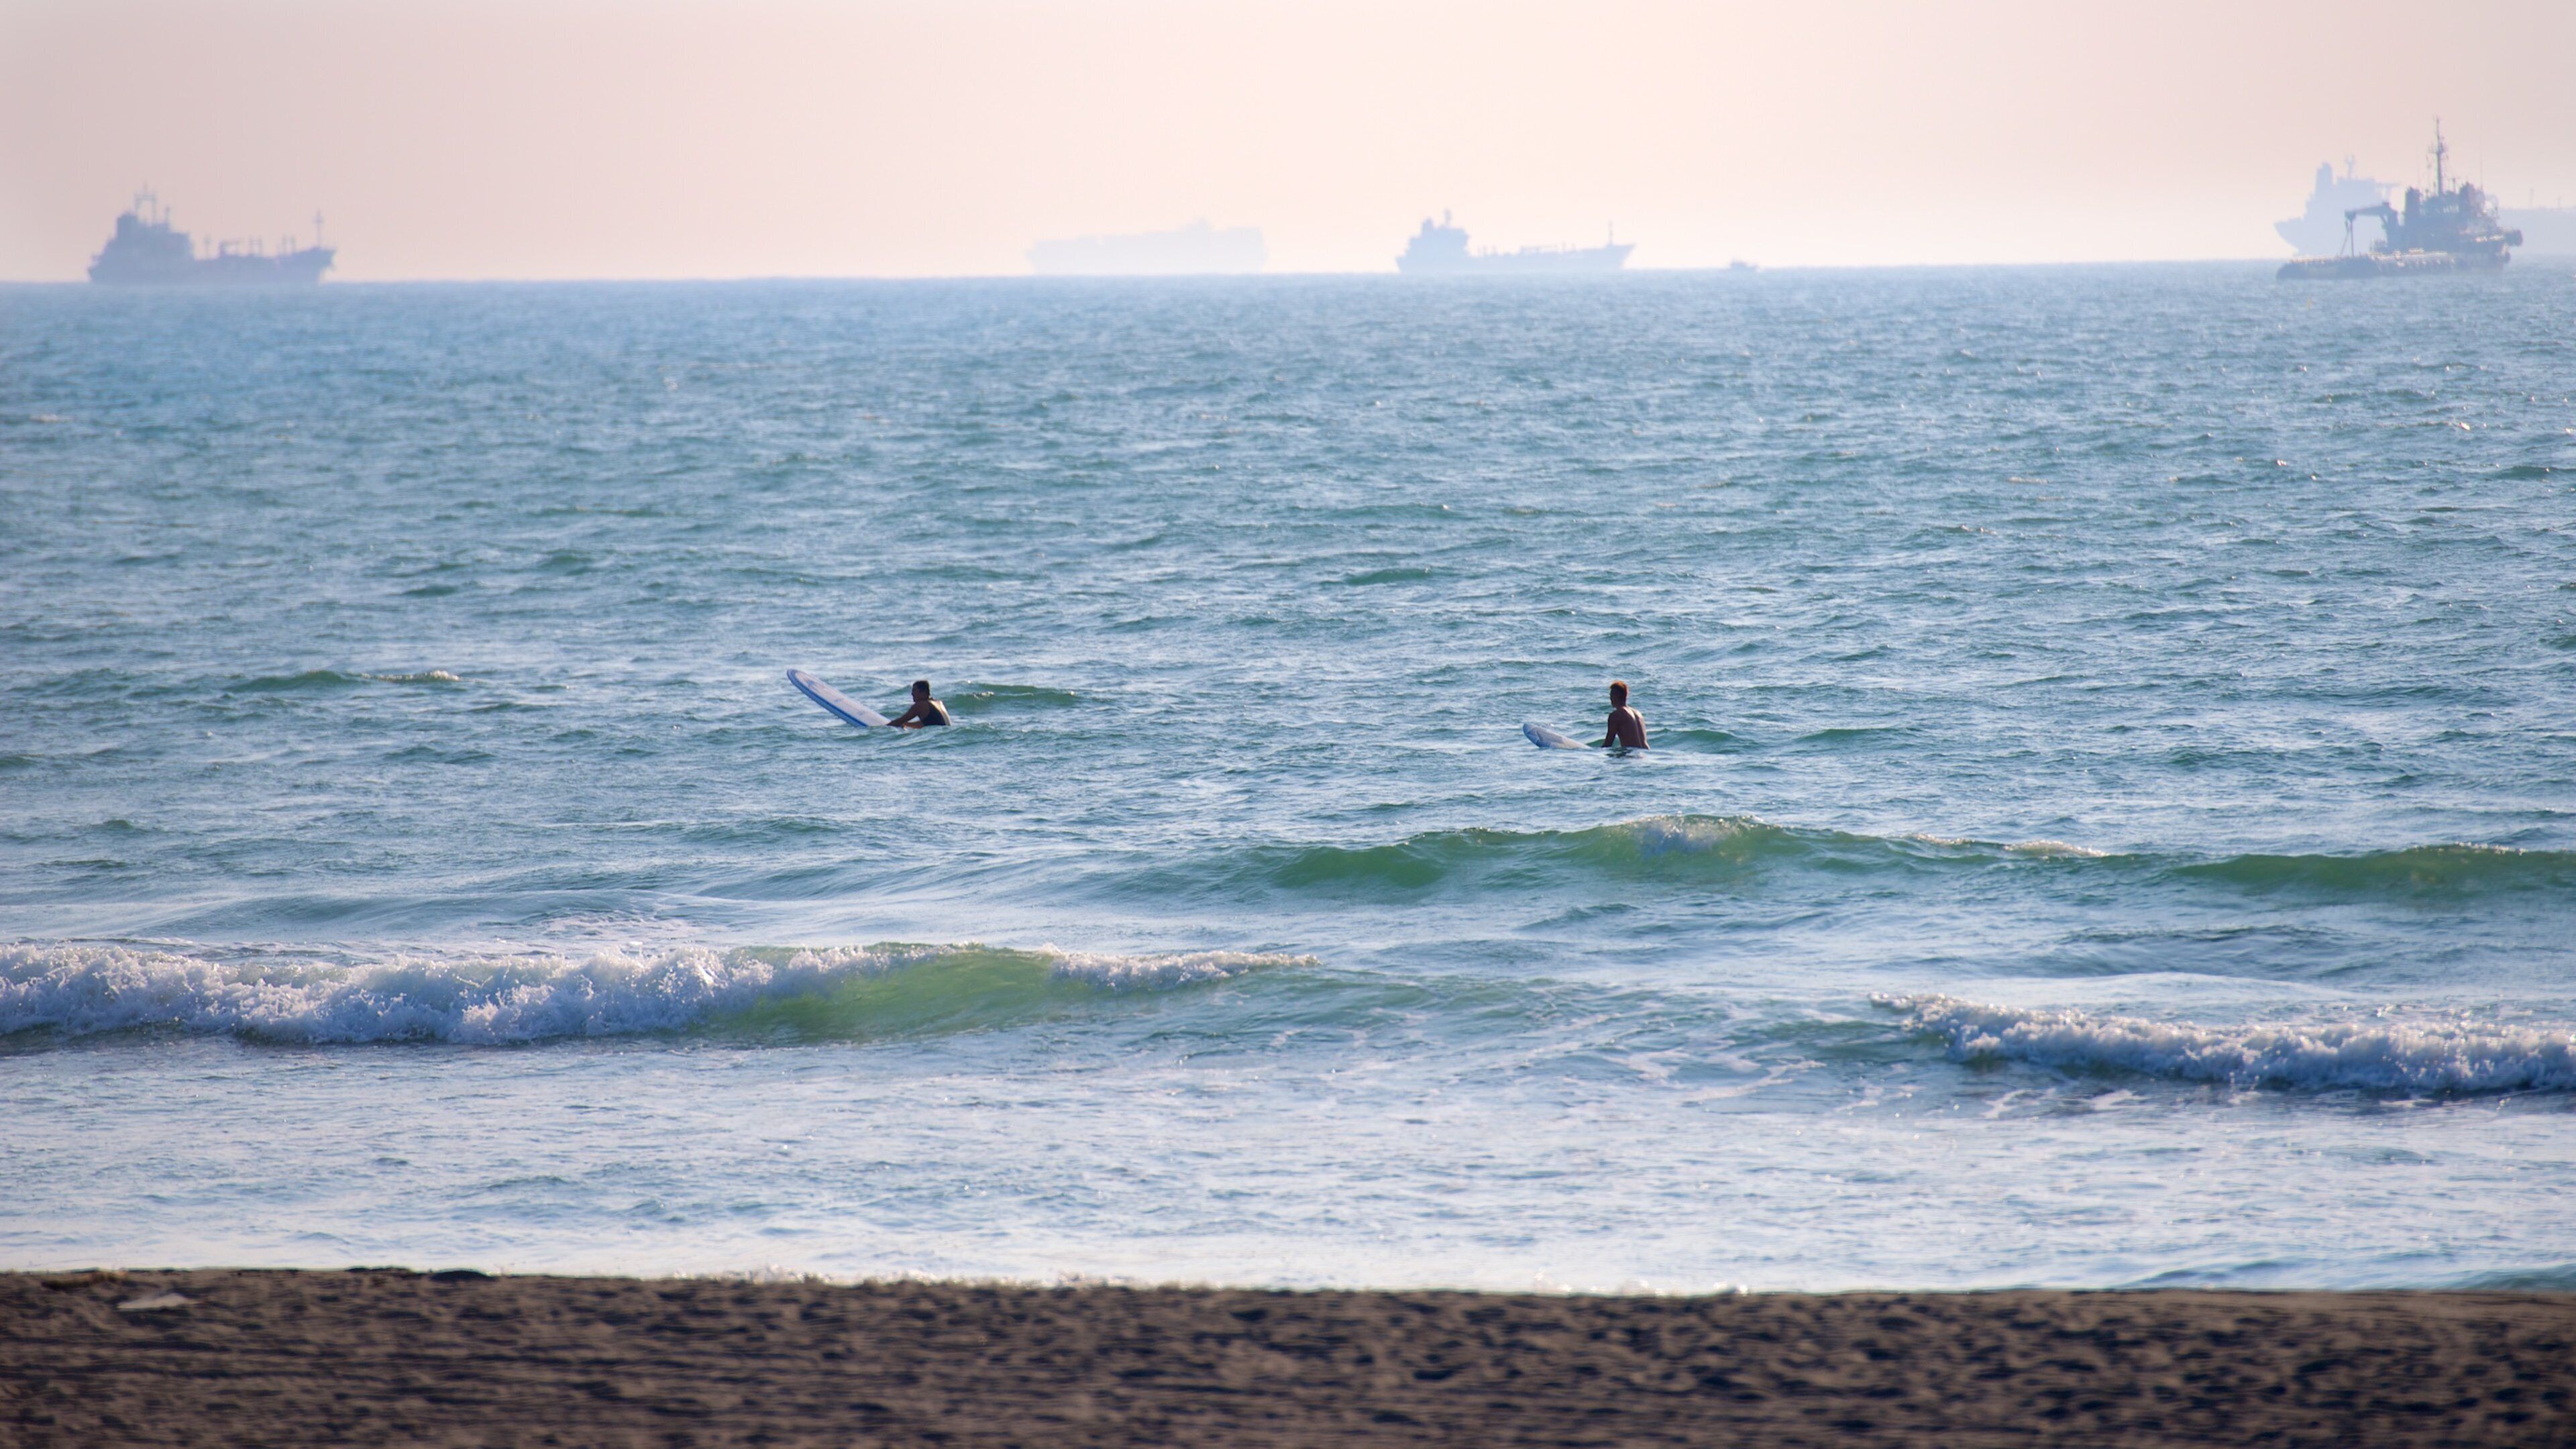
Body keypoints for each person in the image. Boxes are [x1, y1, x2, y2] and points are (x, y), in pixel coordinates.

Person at [1597, 680, 1648, 750]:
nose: (1610, 698)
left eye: (1611, 695)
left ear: (1615, 696)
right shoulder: (1638, 714)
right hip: (1646, 755)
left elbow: (1608, 744)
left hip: (1632, 756)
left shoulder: (1616, 715)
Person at [886, 679, 953, 729]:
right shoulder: (938, 703)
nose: (912, 694)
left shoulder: (921, 705)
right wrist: (907, 724)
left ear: (923, 692)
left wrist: (883, 727)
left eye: (914, 691)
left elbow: (899, 722)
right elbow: (930, 724)